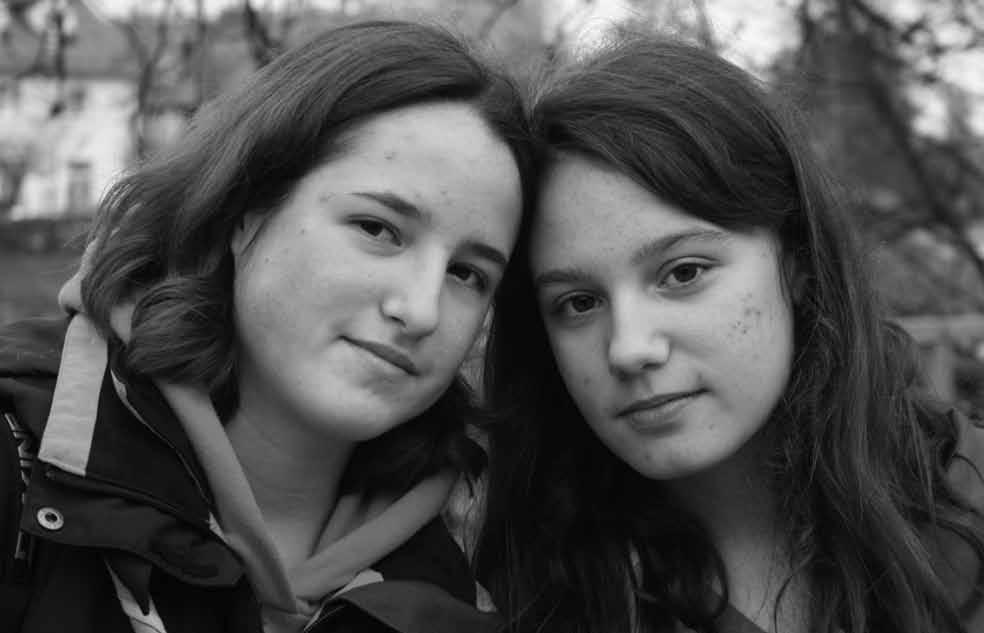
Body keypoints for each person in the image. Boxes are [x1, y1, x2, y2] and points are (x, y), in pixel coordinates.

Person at [0, 20, 534, 633]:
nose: (421, 311)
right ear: (247, 210)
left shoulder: (468, 588)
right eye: (377, 229)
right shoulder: (22, 462)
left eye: (467, 273)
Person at [475, 35, 984, 633]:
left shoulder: (968, 498)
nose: (630, 348)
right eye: (579, 303)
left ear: (796, 262)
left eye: (683, 273)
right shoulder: (525, 592)